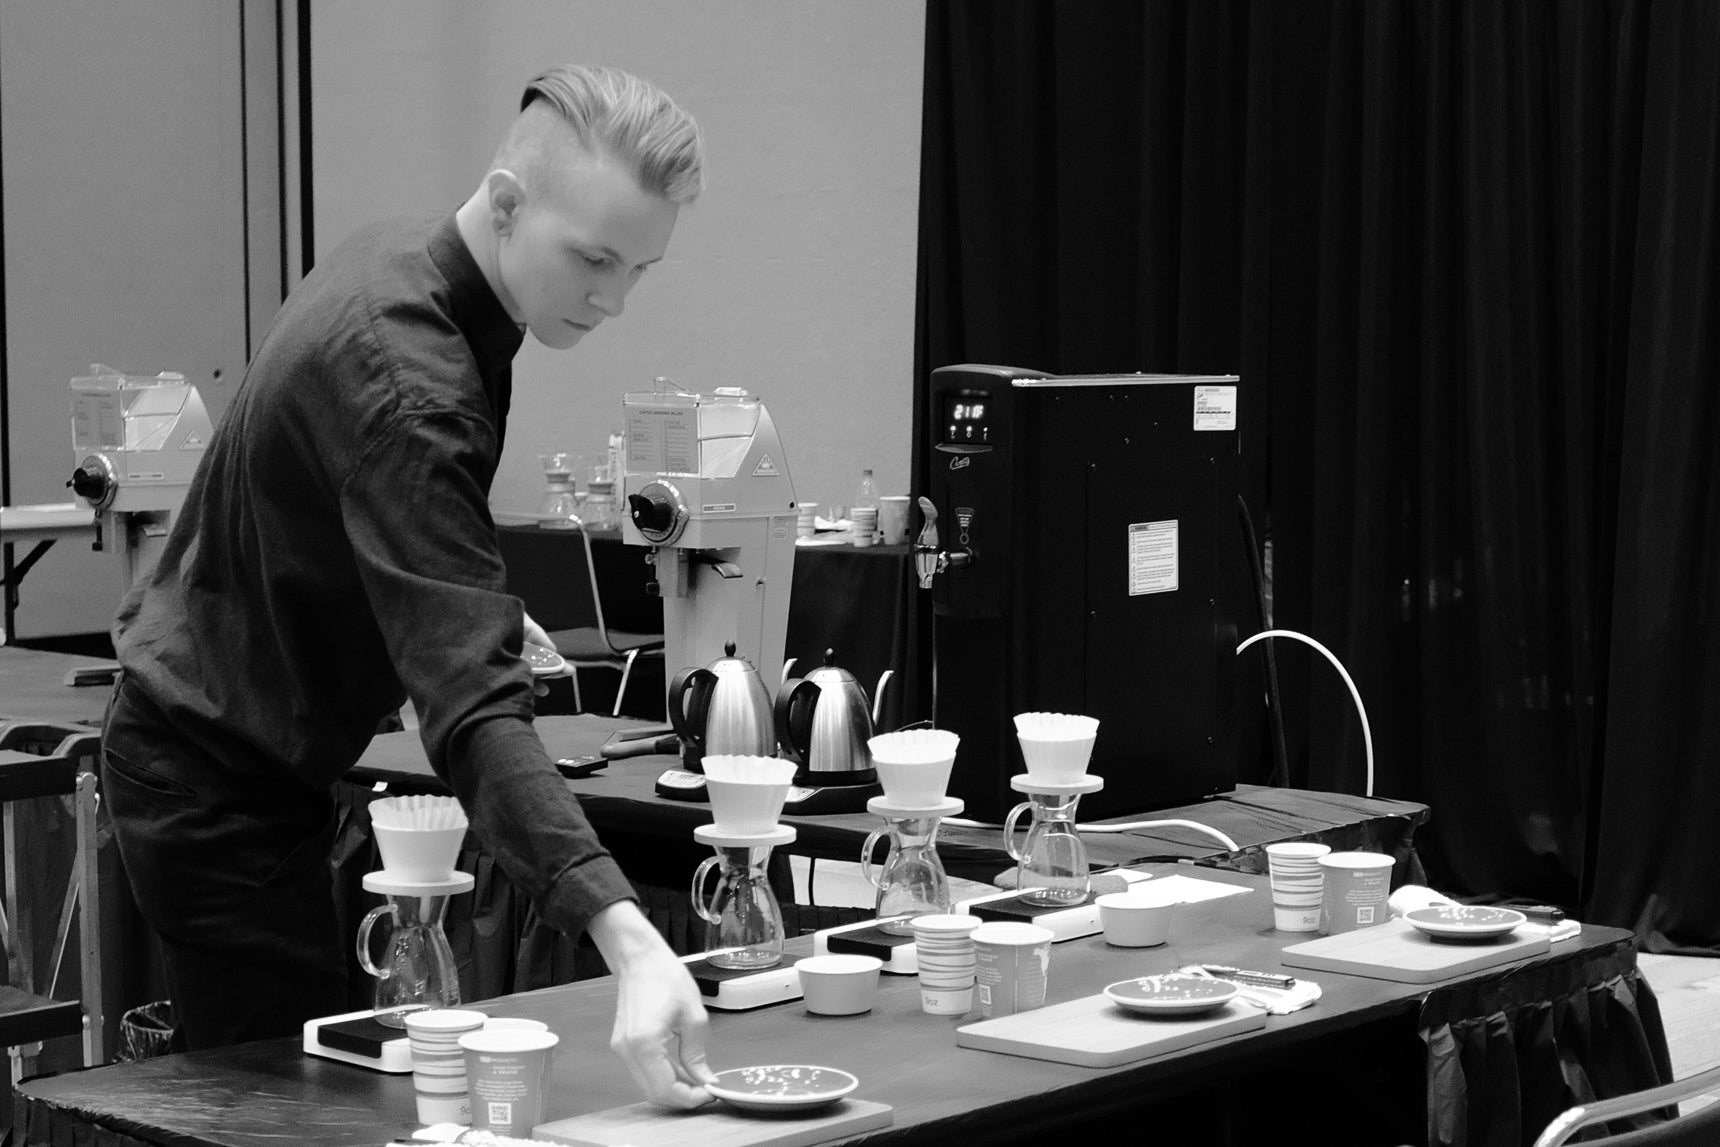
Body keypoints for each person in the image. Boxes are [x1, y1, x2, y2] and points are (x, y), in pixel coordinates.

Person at [99, 64, 716, 1108]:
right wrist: (633, 939)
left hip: (223, 744)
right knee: (283, 1120)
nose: (612, 301)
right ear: (508, 202)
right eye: (596, 260)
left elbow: (339, 510)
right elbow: (470, 716)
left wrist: (464, 612)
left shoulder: (406, 257)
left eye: (640, 270)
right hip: (213, 777)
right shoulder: (411, 385)